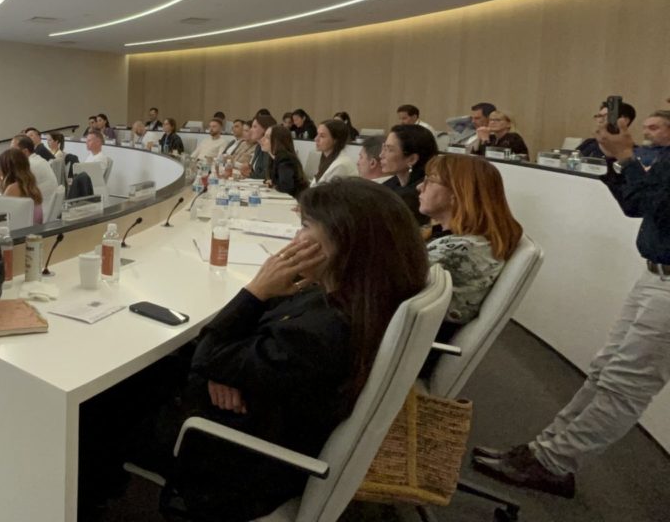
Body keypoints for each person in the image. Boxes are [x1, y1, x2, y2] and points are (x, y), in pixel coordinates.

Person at [80, 179, 428, 520]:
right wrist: (226, 368)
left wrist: (256, 289)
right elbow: (230, 347)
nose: (295, 238)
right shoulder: (343, 299)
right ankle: (104, 485)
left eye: (305, 226)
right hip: (256, 414)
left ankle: (89, 499)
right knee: (147, 375)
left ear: (343, 243)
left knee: (98, 405)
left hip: (233, 457)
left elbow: (208, 353)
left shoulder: (322, 333)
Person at [472, 110, 670, 498]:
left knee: (625, 386)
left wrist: (626, 157)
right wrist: (614, 160)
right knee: (604, 372)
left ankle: (553, 462)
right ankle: (544, 450)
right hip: (654, 276)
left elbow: (657, 206)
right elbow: (636, 204)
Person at [416, 155, 523, 339]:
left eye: (430, 181)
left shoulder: (460, 250)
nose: (420, 187)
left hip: (409, 343)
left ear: (457, 193)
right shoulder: (461, 238)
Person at [379, 124, 440, 225]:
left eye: (390, 150)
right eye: (384, 148)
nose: (381, 155)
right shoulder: (390, 184)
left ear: (412, 159)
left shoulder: (417, 197)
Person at [0, 147, 44, 224]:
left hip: (20, 230)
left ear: (6, 168)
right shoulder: (30, 186)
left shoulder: (14, 188)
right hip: (32, 228)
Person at [262, 124, 308, 197]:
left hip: (295, 199)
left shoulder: (285, 158)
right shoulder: (273, 157)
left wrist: (274, 184)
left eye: (267, 137)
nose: (262, 139)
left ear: (277, 141)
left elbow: (286, 186)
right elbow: (271, 179)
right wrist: (270, 182)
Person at [14, 134, 58, 207]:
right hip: (47, 207)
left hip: (38, 210)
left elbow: (12, 194)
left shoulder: (29, 165)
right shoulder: (39, 160)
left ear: (25, 152)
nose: (9, 153)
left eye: (13, 150)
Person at [311, 119, 356, 185]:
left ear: (336, 140)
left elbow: (325, 190)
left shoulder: (341, 165)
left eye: (322, 136)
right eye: (317, 134)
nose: (316, 139)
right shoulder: (326, 157)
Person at [247, 114, 277, 180]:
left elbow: (266, 175)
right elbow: (254, 170)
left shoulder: (271, 148)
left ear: (265, 129)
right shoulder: (258, 146)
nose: (251, 130)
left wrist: (248, 174)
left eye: (254, 127)